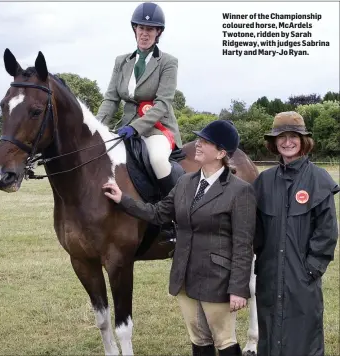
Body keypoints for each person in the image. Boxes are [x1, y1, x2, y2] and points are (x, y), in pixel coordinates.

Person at [103, 120, 256, 356]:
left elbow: (244, 244)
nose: (198, 145)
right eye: (200, 140)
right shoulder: (185, 181)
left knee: (224, 341)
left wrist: (238, 287)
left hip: (218, 280)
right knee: (199, 340)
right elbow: (157, 213)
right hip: (185, 275)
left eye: (205, 142)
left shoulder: (240, 191)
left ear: (222, 153)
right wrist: (123, 199)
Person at [253, 111, 340, 356]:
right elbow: (255, 230)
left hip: (302, 278)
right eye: (281, 136)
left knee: (304, 336)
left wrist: (311, 269)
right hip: (269, 276)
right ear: (274, 142)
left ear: (303, 141)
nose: (287, 142)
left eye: (294, 136)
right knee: (269, 334)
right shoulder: (264, 181)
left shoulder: (318, 179)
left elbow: (327, 232)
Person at [96, 2, 182, 196]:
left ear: (158, 32)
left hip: (156, 129)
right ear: (135, 28)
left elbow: (163, 103)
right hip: (124, 128)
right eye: (141, 28)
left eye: (150, 29)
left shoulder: (168, 62)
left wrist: (136, 128)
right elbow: (111, 99)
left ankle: (170, 215)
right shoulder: (121, 61)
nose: (145, 33)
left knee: (158, 160)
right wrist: (96, 127)